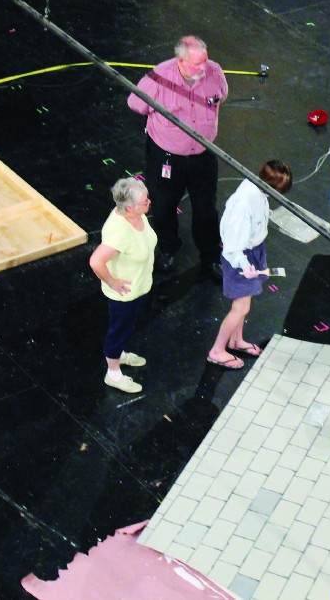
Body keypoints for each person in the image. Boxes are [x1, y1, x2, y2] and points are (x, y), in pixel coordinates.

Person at [127, 35, 228, 280]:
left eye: (205, 61)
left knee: (206, 209)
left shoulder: (215, 73)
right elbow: (135, 103)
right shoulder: (158, 78)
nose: (203, 69)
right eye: (196, 64)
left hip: (203, 156)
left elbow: (220, 96)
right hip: (166, 158)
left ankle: (211, 255)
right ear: (180, 61)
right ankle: (167, 248)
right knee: (163, 206)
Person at [206, 160, 293, 369]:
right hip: (241, 257)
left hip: (253, 250)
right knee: (240, 307)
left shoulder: (256, 188)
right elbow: (233, 245)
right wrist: (245, 266)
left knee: (243, 304)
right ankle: (217, 350)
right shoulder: (244, 204)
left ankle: (236, 340)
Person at [89, 178, 157, 394]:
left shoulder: (137, 215)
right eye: (144, 202)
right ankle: (113, 373)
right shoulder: (119, 231)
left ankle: (118, 354)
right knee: (118, 331)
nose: (149, 203)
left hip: (139, 287)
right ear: (129, 207)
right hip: (125, 295)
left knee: (126, 328)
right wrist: (112, 282)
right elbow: (95, 261)